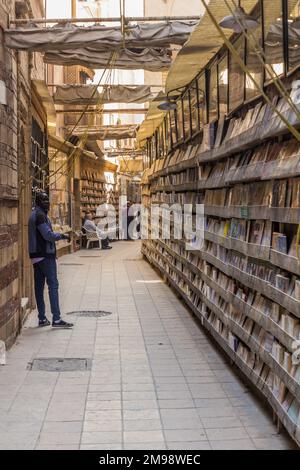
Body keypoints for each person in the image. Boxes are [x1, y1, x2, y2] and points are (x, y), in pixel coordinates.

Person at [28, 191, 73, 328]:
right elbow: (47, 235)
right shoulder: (40, 216)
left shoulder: (34, 214)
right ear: (40, 202)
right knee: (53, 285)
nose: (47, 203)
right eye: (45, 200)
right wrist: (63, 236)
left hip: (36, 256)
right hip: (45, 255)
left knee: (39, 287)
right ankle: (57, 319)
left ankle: (42, 318)